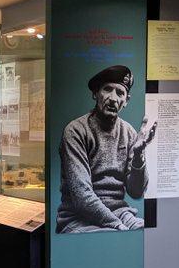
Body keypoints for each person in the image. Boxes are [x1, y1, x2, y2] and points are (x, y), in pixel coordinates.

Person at [57, 65, 157, 233]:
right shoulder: (76, 131)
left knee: (150, 231)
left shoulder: (129, 133)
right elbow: (82, 196)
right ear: (95, 93)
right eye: (107, 89)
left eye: (120, 93)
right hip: (78, 219)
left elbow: (136, 192)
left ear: (126, 101)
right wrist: (117, 226)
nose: (113, 98)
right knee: (117, 237)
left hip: (121, 214)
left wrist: (138, 155)